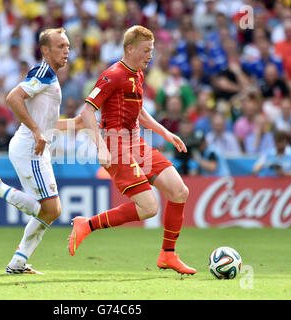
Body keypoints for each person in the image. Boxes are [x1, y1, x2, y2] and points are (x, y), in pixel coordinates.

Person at [68, 25, 196, 275]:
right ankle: (87, 225)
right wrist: (101, 146)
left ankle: (168, 255)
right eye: (147, 50)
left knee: (180, 192)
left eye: (152, 50)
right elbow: (86, 111)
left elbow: (139, 112)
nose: (151, 56)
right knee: (149, 208)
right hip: (116, 146)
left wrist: (165, 133)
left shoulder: (137, 74)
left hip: (137, 143)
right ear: (130, 48)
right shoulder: (112, 75)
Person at [0, 28, 84, 275]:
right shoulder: (42, 71)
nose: (67, 51)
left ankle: (18, 262)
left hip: (37, 149)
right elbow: (13, 97)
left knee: (50, 212)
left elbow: (47, 125)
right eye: (61, 46)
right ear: (45, 50)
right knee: (49, 210)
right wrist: (35, 131)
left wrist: (75, 123)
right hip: (30, 149)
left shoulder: (50, 75)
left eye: (68, 46)